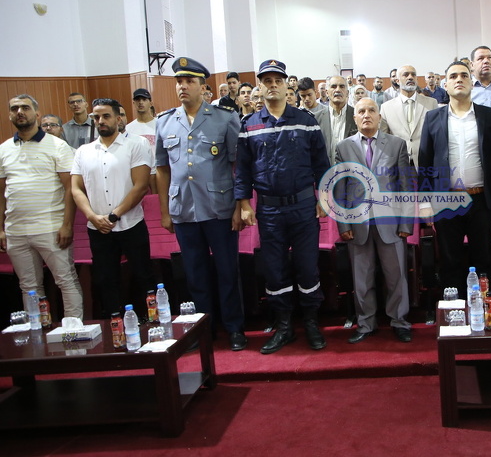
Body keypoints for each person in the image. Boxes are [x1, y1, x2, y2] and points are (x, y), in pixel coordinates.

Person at [235, 59, 330, 354]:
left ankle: (311, 322)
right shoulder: (249, 125)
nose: (273, 85)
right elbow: (243, 170)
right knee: (274, 271)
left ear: (286, 84)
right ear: (261, 86)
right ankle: (285, 326)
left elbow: (321, 163)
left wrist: (323, 197)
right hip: (270, 211)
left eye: (278, 80)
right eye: (267, 81)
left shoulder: (305, 121)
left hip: (303, 208)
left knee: (307, 267)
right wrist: (244, 204)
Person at [155, 57, 247, 351]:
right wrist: (165, 211)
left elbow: (237, 165)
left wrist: (238, 206)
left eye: (189, 81)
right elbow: (162, 169)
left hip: (219, 208)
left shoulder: (224, 118)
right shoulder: (165, 121)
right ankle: (204, 329)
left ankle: (234, 327)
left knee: (227, 271)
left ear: (203, 87)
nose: (182, 86)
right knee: (195, 274)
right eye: (179, 82)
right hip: (184, 209)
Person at [418, 61, 491, 297]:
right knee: (450, 260)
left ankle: (488, 310)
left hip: (481, 200)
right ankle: (454, 310)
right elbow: (425, 162)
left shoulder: (489, 116)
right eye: (453, 76)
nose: (459, 79)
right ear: (445, 84)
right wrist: (424, 201)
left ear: (471, 82)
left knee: (484, 258)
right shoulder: (433, 118)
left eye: (464, 75)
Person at [336, 98, 413, 344]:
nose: (366, 114)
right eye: (361, 111)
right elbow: (340, 189)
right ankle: (366, 323)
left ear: (379, 116)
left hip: (391, 223)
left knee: (396, 276)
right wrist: (343, 224)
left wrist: (406, 224)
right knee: (362, 279)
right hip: (357, 224)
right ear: (355, 118)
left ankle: (399, 321)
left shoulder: (397, 145)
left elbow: (405, 187)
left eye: (371, 110)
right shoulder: (343, 147)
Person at [0, 94, 83, 319]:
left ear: (36, 114)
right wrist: (1, 229)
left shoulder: (57, 146)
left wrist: (67, 225)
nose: (20, 112)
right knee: (28, 287)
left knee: (65, 281)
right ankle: (38, 329)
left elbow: (70, 189)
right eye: (14, 108)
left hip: (51, 227)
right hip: (16, 230)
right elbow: (2, 193)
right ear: (9, 115)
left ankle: (74, 330)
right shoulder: (4, 149)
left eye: (25, 108)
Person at [71, 98, 155, 317]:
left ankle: (151, 321)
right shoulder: (83, 151)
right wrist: (92, 216)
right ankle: (114, 325)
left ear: (118, 119)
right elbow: (76, 189)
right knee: (105, 280)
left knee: (143, 276)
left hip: (130, 224)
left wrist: (114, 215)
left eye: (106, 116)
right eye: (96, 117)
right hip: (98, 227)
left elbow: (141, 186)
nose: (101, 121)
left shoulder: (136, 144)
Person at [381, 64, 438, 168]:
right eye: (406, 75)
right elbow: (384, 139)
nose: (410, 77)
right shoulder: (386, 108)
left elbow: (436, 135)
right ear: (397, 81)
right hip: (398, 164)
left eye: (413, 75)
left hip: (426, 164)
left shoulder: (431, 103)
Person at [297, 77, 332, 161]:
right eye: (303, 96)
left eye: (309, 95)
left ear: (315, 92)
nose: (307, 99)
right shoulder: (297, 114)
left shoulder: (327, 111)